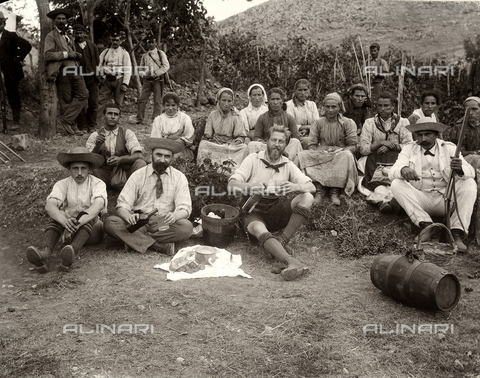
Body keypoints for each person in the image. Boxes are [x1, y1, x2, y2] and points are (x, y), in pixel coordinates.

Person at [228, 125, 314, 281]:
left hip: (274, 209)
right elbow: (232, 185)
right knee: (257, 227)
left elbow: (311, 187)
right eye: (273, 140)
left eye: (281, 141)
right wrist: (251, 186)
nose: (277, 144)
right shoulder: (253, 159)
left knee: (307, 197)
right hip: (251, 210)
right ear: (266, 141)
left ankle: (280, 241)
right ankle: (291, 261)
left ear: (285, 144)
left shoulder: (287, 164)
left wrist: (297, 186)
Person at [389, 117, 476, 252]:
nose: (423, 138)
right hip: (421, 199)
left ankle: (456, 233)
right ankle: (427, 226)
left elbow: (471, 172)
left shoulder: (450, 148)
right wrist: (403, 170)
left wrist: (460, 169)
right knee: (396, 183)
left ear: (436, 134)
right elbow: (392, 171)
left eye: (427, 134)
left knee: (469, 183)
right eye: (419, 135)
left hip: (447, 199)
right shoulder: (409, 149)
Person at [104, 138, 193, 255]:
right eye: (159, 155)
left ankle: (133, 240)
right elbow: (122, 205)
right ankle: (158, 246)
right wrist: (128, 216)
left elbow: (185, 208)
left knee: (186, 227)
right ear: (152, 155)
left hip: (163, 222)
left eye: (167, 156)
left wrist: (175, 216)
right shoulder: (138, 175)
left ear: (172, 158)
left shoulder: (179, 177)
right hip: (139, 222)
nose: (162, 160)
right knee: (111, 222)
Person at [26, 147, 107, 273]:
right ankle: (45, 254)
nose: (79, 173)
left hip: (92, 230)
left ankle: (71, 253)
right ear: (69, 169)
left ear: (89, 169)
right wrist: (64, 220)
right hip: (69, 228)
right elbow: (50, 205)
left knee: (90, 215)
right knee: (57, 215)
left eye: (83, 168)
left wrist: (80, 221)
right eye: (75, 168)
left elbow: (98, 205)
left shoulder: (98, 183)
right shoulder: (62, 184)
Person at [297, 92, 358, 206]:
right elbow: (312, 145)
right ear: (324, 107)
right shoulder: (318, 123)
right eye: (327, 106)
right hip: (322, 153)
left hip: (340, 155)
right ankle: (319, 189)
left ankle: (334, 191)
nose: (330, 110)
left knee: (347, 155)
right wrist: (322, 151)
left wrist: (340, 151)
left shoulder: (347, 123)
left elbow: (353, 145)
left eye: (334, 107)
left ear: (339, 107)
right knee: (303, 155)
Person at [44, 8, 88, 136]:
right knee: (66, 99)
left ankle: (66, 119)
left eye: (63, 19)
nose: (61, 21)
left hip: (75, 69)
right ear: (54, 21)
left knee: (83, 94)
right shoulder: (51, 36)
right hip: (62, 70)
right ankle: (71, 127)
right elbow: (47, 55)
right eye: (58, 19)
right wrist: (67, 54)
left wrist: (75, 55)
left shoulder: (68, 36)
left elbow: (71, 52)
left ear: (66, 20)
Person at [359, 92, 412, 191]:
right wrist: (380, 143)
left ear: (393, 107)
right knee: (362, 164)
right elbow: (363, 149)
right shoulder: (370, 123)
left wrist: (392, 146)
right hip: (375, 158)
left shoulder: (403, 122)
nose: (383, 108)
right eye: (380, 105)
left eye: (386, 105)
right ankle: (375, 186)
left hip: (397, 157)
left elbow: (410, 146)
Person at [86, 103, 146, 190]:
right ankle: (112, 186)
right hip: (104, 171)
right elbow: (89, 160)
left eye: (116, 114)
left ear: (119, 118)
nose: (113, 117)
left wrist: (120, 159)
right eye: (110, 113)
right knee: (90, 169)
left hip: (124, 170)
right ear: (103, 117)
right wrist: (97, 146)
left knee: (140, 163)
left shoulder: (127, 133)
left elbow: (138, 155)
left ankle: (131, 186)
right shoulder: (95, 135)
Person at [247, 87, 303, 161]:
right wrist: (266, 143)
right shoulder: (262, 117)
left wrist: (282, 145)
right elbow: (257, 137)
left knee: (295, 142)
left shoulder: (289, 118)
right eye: (273, 99)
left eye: (278, 99)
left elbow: (296, 137)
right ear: (268, 101)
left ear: (282, 101)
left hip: (285, 147)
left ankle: (285, 161)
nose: (275, 102)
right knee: (252, 144)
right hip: (267, 147)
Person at [196, 87, 247, 168]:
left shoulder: (236, 116)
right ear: (218, 100)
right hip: (215, 143)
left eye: (229, 101)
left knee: (243, 148)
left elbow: (240, 136)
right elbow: (208, 134)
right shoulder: (213, 114)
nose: (226, 104)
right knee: (203, 144)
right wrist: (211, 139)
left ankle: (233, 169)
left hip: (230, 145)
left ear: (232, 102)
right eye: (224, 100)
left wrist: (233, 144)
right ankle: (206, 168)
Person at [0, 11, 32, 131]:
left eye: (0, 24)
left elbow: (27, 46)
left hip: (10, 70)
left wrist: (16, 58)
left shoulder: (10, 35)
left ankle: (16, 121)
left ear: (4, 23)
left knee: (12, 94)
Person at [132, 37, 170, 125]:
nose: (150, 44)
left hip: (158, 79)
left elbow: (166, 66)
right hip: (147, 81)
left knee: (157, 100)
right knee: (142, 99)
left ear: (155, 43)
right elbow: (141, 68)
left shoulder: (160, 53)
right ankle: (139, 118)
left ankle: (155, 119)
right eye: (148, 43)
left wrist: (156, 73)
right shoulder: (145, 55)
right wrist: (143, 74)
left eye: (152, 42)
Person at [97, 32, 132, 119]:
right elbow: (99, 65)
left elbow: (128, 68)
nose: (115, 42)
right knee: (101, 101)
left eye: (117, 40)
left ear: (120, 41)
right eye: (113, 40)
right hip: (107, 79)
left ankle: (116, 121)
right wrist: (101, 77)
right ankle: (96, 121)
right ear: (111, 40)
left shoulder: (124, 53)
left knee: (118, 103)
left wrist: (125, 83)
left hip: (119, 79)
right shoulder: (105, 52)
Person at [72, 24, 100, 134]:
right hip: (79, 78)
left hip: (92, 78)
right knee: (81, 102)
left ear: (85, 34)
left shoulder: (92, 46)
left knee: (93, 102)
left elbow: (97, 62)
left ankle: (91, 125)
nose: (79, 35)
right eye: (76, 33)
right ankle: (82, 125)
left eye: (81, 33)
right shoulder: (72, 46)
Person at [150, 93, 194, 160]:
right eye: (167, 105)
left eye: (173, 105)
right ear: (163, 106)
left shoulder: (185, 118)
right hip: (162, 148)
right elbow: (155, 138)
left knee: (176, 159)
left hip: (180, 149)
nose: (170, 108)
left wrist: (179, 142)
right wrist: (166, 144)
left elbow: (189, 136)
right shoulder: (158, 119)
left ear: (177, 106)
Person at [285, 79, 320, 149]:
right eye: (300, 90)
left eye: (305, 90)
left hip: (311, 133)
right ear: (295, 91)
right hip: (295, 135)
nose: (303, 93)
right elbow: (292, 125)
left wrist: (307, 130)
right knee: (307, 141)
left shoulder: (312, 104)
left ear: (309, 91)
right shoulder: (289, 105)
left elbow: (316, 123)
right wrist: (309, 127)